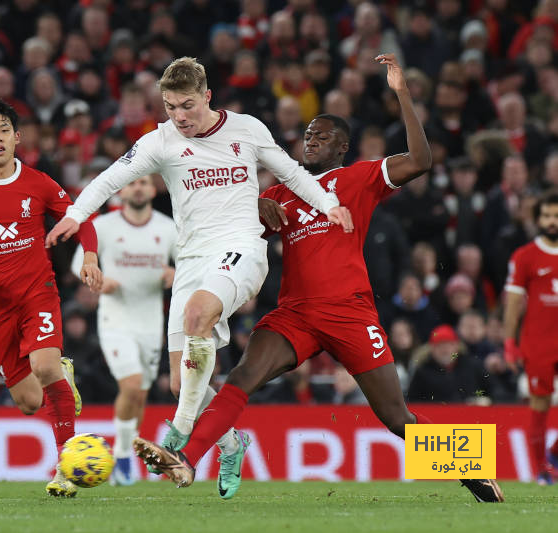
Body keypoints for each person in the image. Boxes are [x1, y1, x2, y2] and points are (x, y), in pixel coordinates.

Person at [133, 54, 504, 504]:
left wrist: (402, 94)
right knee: (241, 377)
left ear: (342, 146)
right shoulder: (278, 193)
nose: (311, 140)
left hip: (350, 311)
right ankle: (187, 460)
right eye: (307, 134)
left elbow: (421, 160)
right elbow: (226, 223)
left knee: (394, 415)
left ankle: (472, 469)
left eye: (322, 135)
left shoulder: (360, 178)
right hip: (297, 314)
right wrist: (253, 206)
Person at [45, 56, 353, 499]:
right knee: (179, 381)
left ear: (207, 96)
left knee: (196, 317)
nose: (179, 116)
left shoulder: (247, 129)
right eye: (170, 107)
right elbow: (108, 180)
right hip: (192, 260)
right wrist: (75, 215)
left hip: (242, 248)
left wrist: (328, 205)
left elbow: (292, 173)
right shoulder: (161, 140)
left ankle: (178, 435)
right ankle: (232, 443)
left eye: (187, 105)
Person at [0, 100, 102, 497]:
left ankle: (66, 465)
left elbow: (79, 217)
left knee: (45, 366)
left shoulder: (39, 183)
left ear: (17, 138)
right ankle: (61, 377)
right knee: (29, 402)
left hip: (38, 293)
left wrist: (90, 255)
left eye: (4, 131)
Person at [71, 174, 178, 486]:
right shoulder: (104, 227)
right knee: (131, 385)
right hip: (115, 320)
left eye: (144, 182)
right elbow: (80, 266)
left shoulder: (167, 226)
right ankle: (119, 455)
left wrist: (175, 272)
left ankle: (124, 454)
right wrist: (99, 280)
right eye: (133, 183)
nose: (139, 187)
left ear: (152, 188)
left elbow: (187, 263)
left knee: (140, 395)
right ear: (122, 190)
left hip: (151, 322)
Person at [503, 190, 558, 486]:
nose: (552, 222)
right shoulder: (525, 256)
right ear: (538, 219)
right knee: (540, 405)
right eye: (547, 216)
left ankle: (554, 453)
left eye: (556, 216)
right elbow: (513, 303)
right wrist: (509, 343)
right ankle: (541, 470)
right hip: (539, 343)